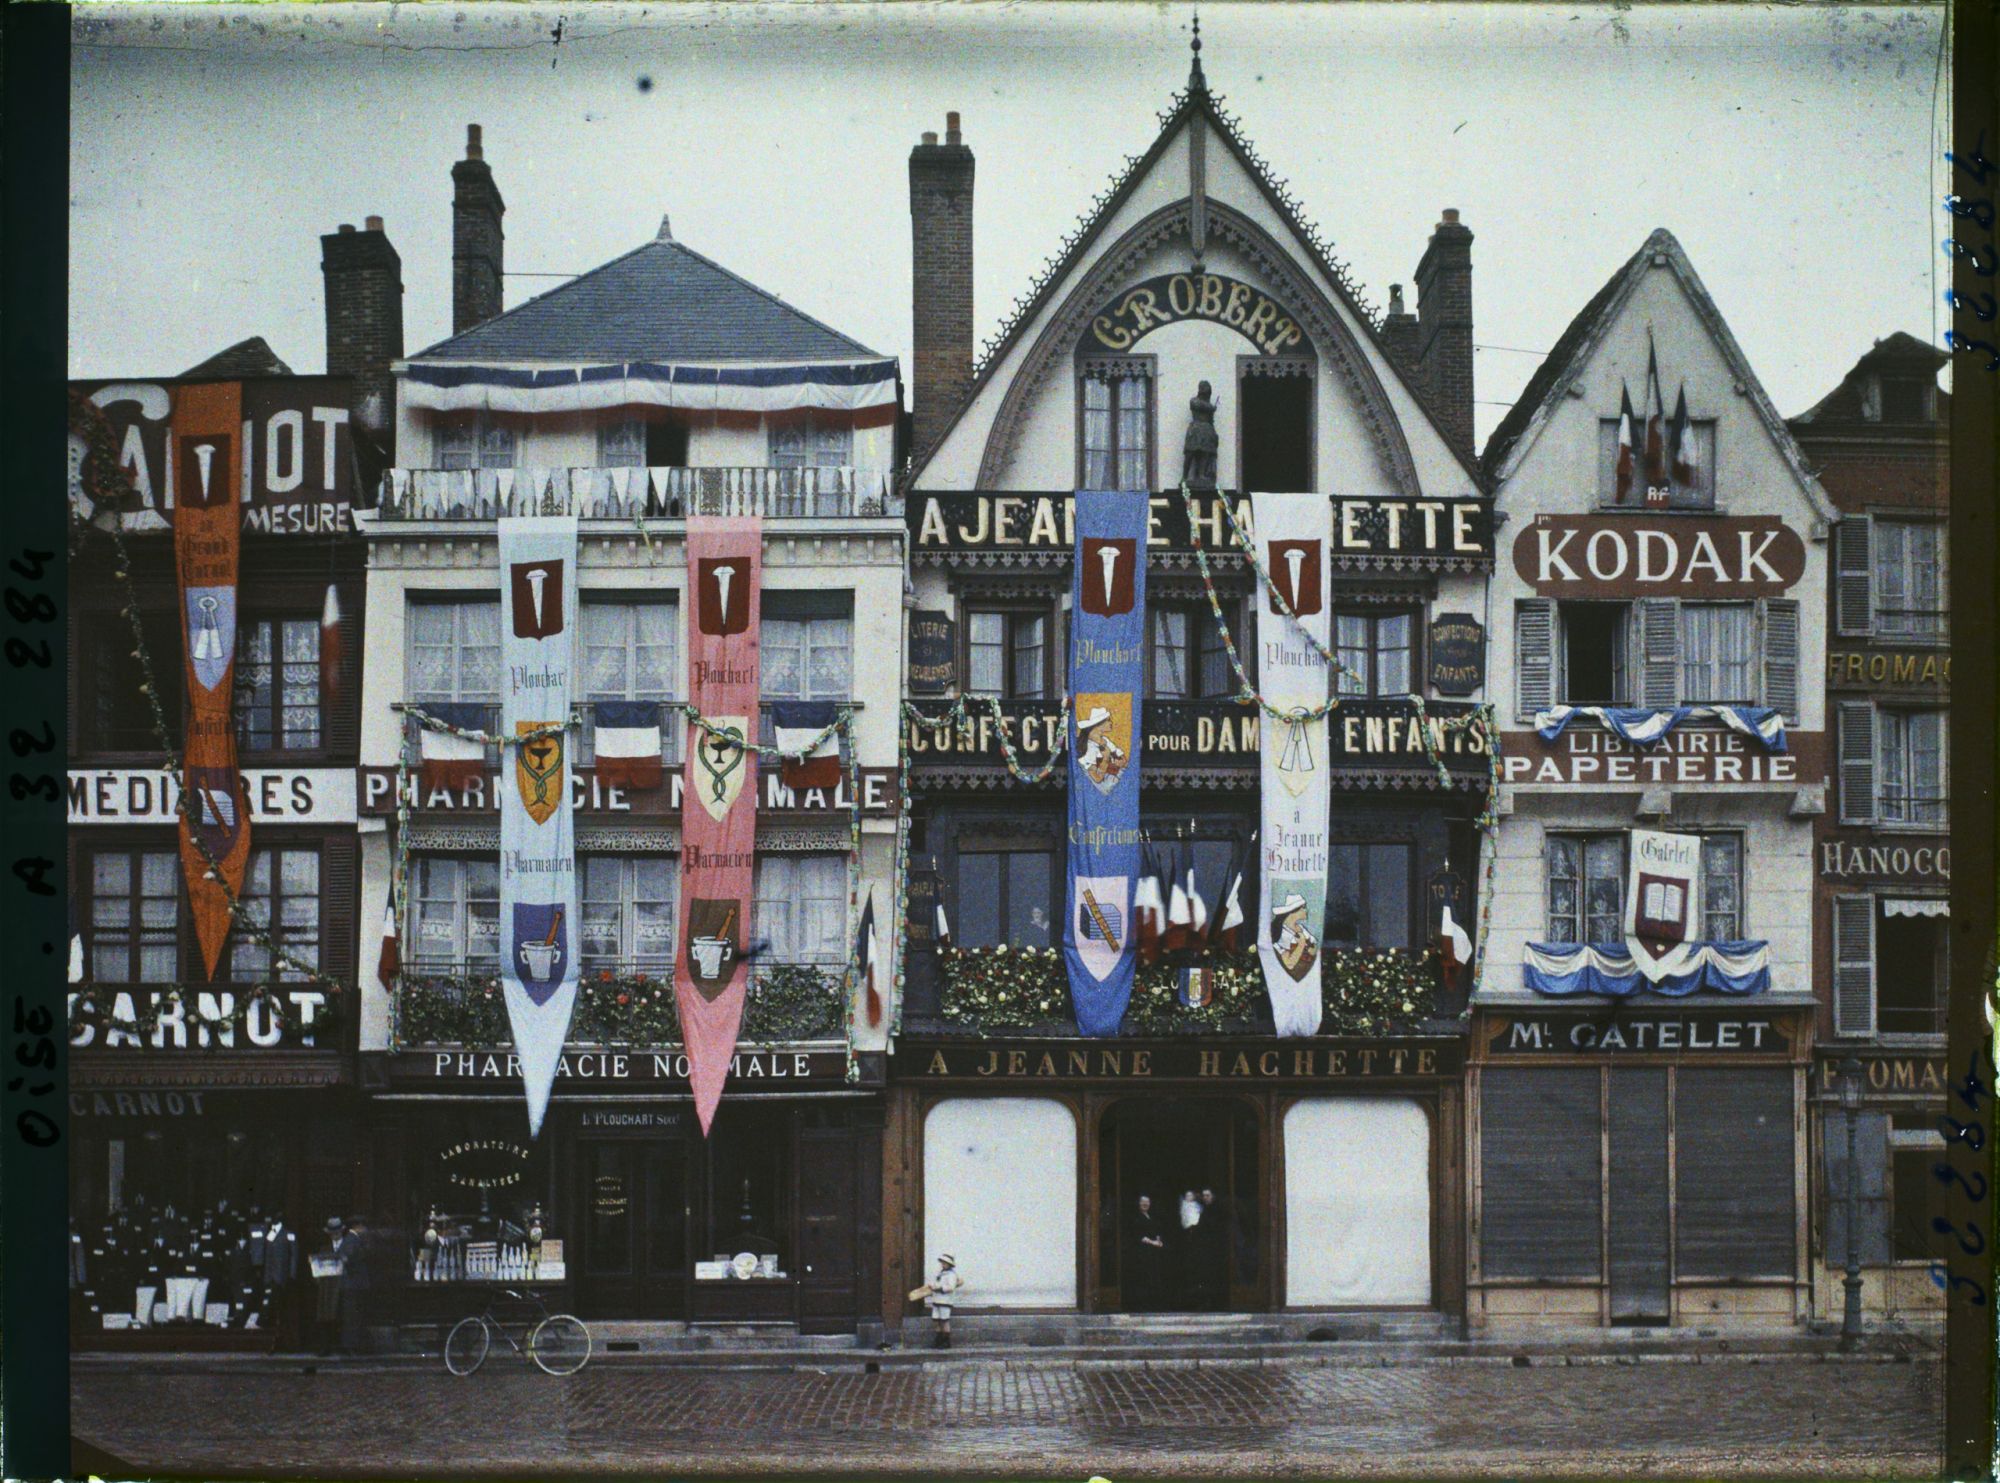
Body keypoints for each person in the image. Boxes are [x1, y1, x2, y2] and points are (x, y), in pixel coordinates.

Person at [1128, 1194, 1168, 1313]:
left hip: (1153, 1252)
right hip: (1142, 1252)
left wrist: (1159, 1240)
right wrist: (1153, 1242)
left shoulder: (1150, 1216)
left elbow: (1156, 1230)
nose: (1145, 1204)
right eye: (1143, 1202)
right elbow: (1139, 1236)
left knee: (1154, 1277)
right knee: (1144, 1277)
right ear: (1138, 1203)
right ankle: (1142, 1306)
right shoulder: (1136, 1217)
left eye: (1147, 1202)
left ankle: (1153, 1305)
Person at [922, 1253, 964, 1349]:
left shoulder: (951, 1275)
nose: (943, 1264)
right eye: (942, 1262)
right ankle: (938, 1339)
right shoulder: (940, 1273)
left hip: (945, 1301)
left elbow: (950, 1287)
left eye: (945, 1263)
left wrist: (938, 1288)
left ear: (949, 1264)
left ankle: (946, 1341)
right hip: (937, 1300)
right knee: (936, 1320)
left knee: (944, 1321)